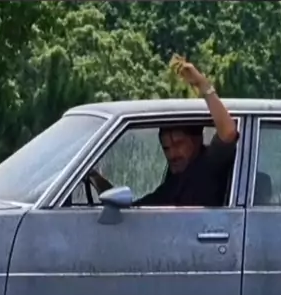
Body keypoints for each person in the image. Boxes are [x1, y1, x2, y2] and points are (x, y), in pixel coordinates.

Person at [88, 56, 239, 207]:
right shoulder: (174, 181)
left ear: (197, 139)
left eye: (178, 144)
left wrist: (202, 84)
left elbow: (228, 132)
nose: (172, 154)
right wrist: (92, 175)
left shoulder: (209, 164)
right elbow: (132, 210)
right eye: (166, 148)